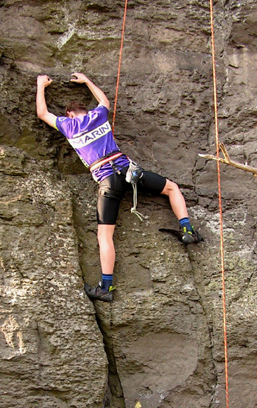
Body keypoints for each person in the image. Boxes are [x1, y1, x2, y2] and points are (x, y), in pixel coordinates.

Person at [36, 72, 200, 303]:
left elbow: (42, 113)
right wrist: (87, 82)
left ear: (70, 114)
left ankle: (107, 287)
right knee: (171, 188)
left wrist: (40, 85)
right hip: (128, 171)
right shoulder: (99, 115)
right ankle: (187, 230)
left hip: (107, 180)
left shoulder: (68, 125)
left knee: (105, 235)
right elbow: (104, 101)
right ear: (86, 110)